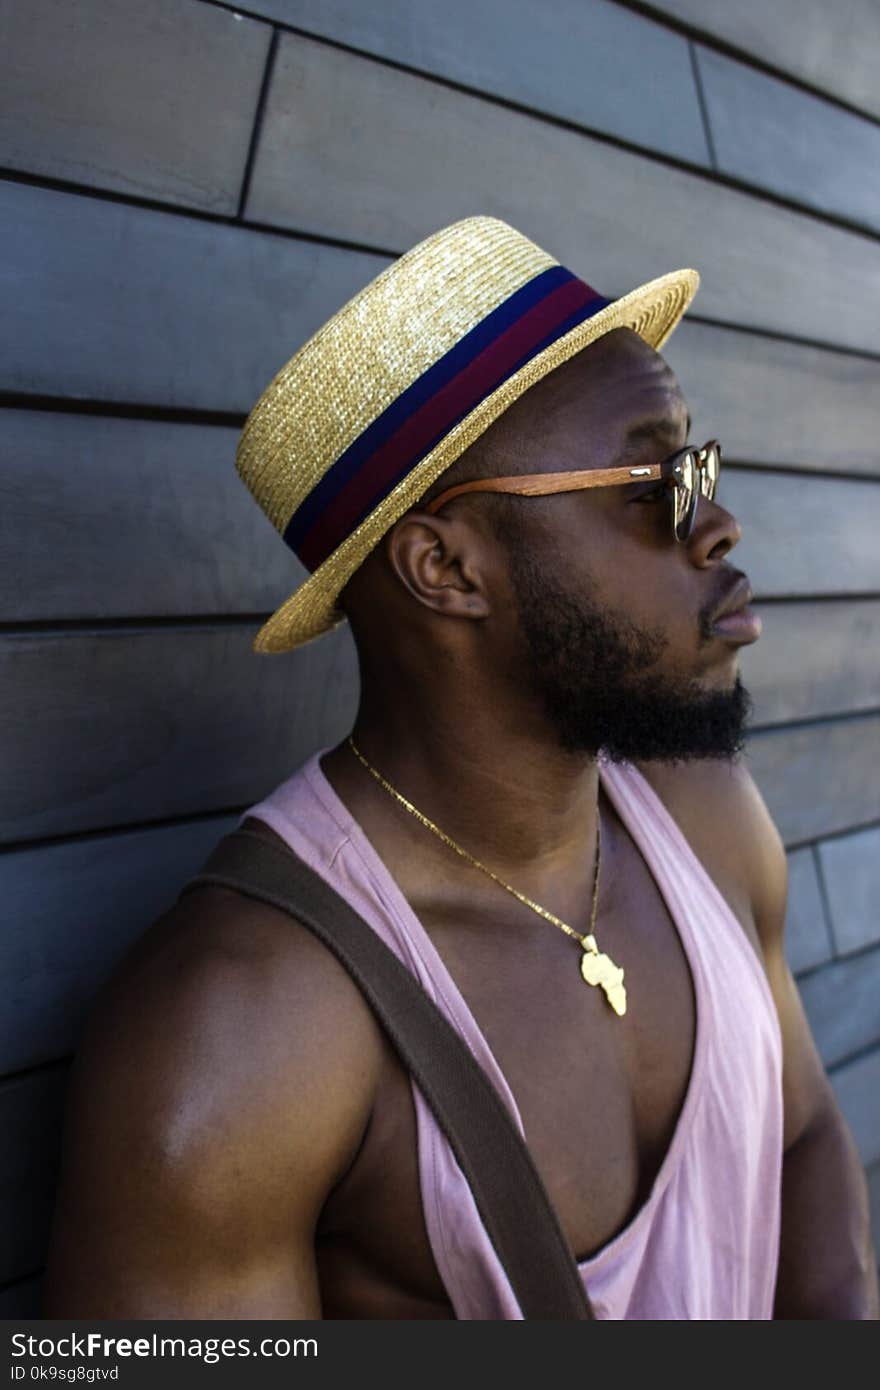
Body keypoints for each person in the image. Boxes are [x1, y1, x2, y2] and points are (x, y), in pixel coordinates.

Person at [45, 217, 878, 1320]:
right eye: (652, 482)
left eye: (699, 466)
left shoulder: (704, 815)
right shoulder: (243, 1031)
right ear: (444, 566)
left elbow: (799, 1133)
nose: (716, 523)